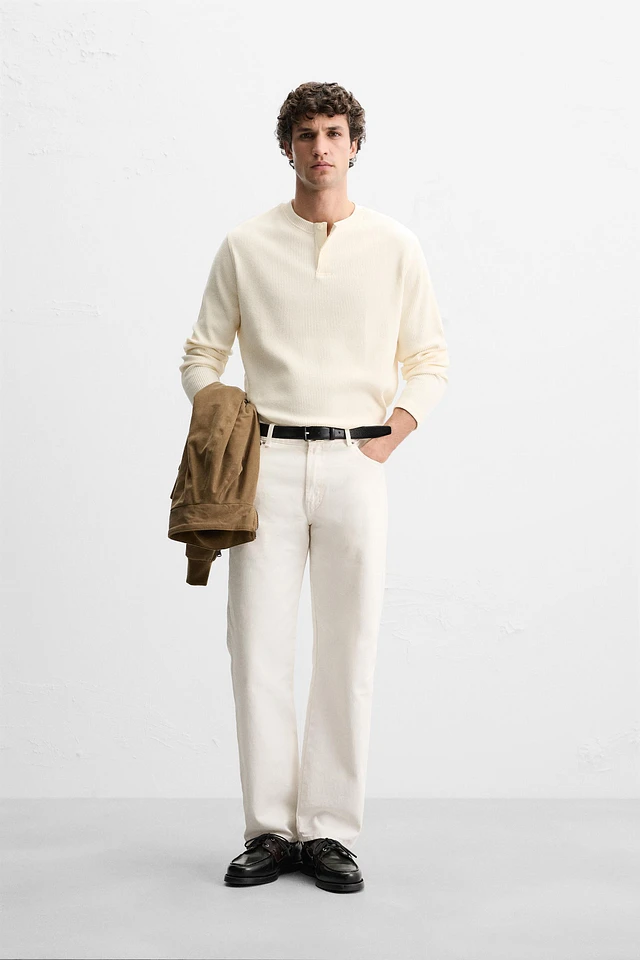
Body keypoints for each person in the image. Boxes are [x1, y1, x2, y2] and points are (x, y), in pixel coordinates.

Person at [179, 81, 450, 894]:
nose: (321, 147)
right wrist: (221, 418)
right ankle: (268, 830)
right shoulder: (246, 244)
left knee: (347, 650)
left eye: (334, 133)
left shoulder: (394, 245)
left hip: (354, 466)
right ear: (287, 146)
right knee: (256, 649)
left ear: (355, 144)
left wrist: (392, 433)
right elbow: (201, 353)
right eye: (306, 134)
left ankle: (329, 830)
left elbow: (429, 358)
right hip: (263, 466)